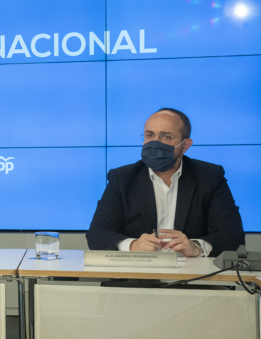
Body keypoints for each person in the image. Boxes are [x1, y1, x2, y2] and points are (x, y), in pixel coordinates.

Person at [87, 108, 244, 257]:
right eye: (149, 135)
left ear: (185, 145)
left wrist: (196, 247)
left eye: (166, 136)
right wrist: (133, 245)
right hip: (136, 278)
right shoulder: (122, 178)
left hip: (193, 277)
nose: (155, 143)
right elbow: (97, 234)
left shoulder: (210, 177)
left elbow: (233, 235)